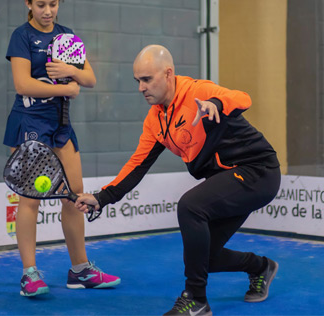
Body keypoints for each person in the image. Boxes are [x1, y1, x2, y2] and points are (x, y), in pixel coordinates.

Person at [74, 45, 281, 315]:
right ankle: (261, 267)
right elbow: (138, 164)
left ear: (168, 73)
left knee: (191, 206)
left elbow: (242, 98)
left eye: (147, 79)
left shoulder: (197, 92)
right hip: (228, 178)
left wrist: (216, 104)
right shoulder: (155, 120)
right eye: (138, 81)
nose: (141, 88)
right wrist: (102, 198)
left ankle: (196, 299)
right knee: (203, 256)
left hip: (258, 171)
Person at [4, 0, 119, 297]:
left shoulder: (66, 36)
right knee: (30, 199)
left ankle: (80, 269)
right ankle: (29, 274)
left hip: (61, 126)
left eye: (53, 4)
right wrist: (68, 88)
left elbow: (90, 79)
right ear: (28, 4)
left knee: (75, 193)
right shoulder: (21, 37)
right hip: (29, 123)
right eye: (40, 5)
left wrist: (71, 73)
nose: (47, 11)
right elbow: (22, 84)